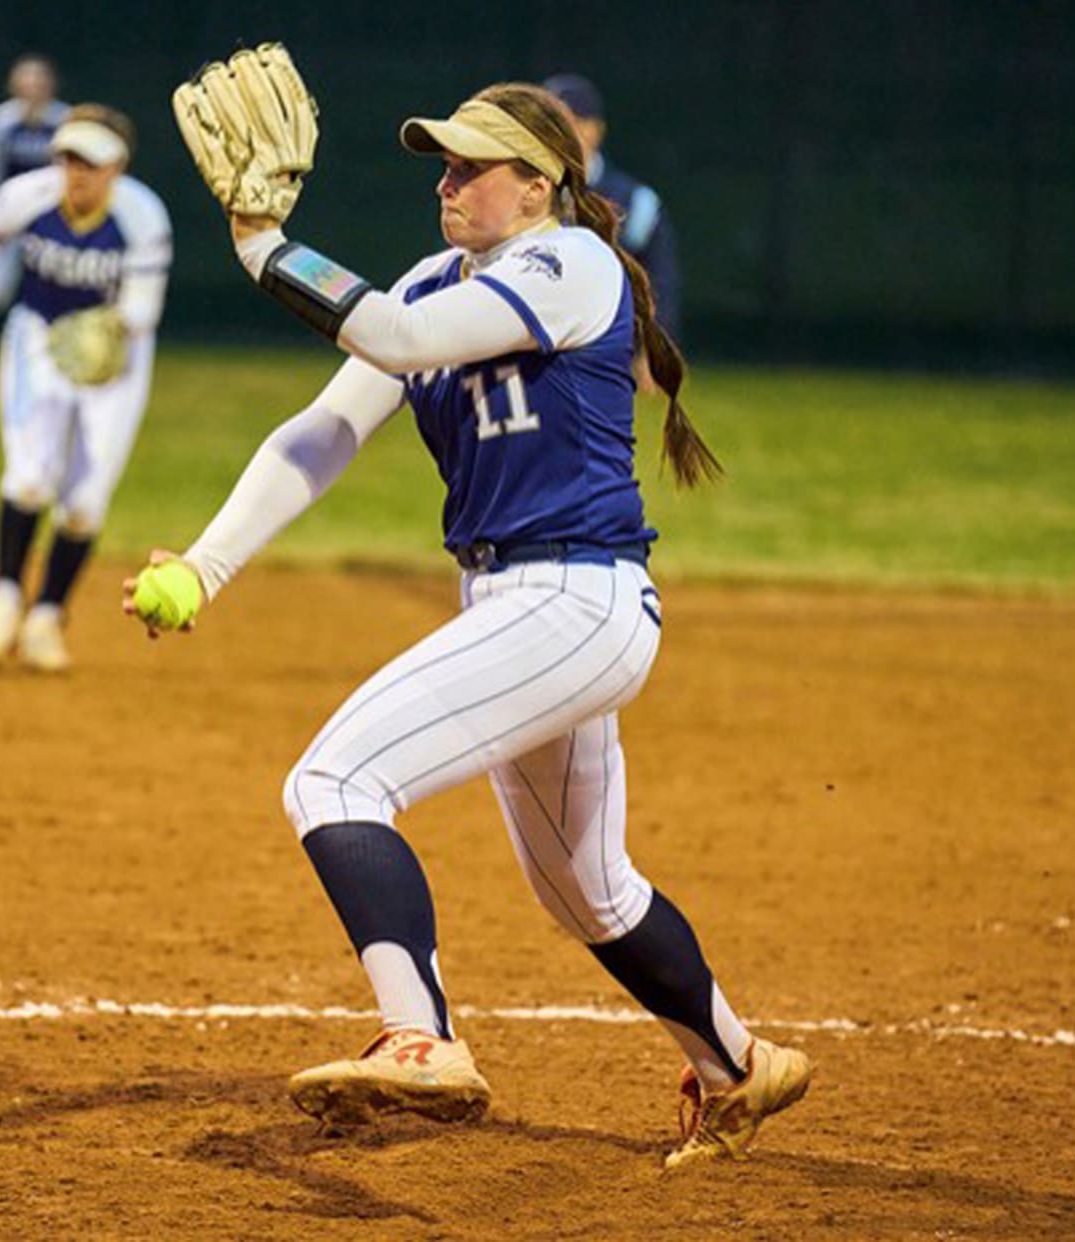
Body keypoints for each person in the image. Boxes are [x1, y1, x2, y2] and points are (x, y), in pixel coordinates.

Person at [131, 74, 810, 1167]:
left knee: (335, 782)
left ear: (537, 186)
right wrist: (207, 568)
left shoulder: (575, 262)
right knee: (589, 891)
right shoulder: (435, 281)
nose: (444, 183)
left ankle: (421, 1039)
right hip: (515, 602)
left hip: (576, 597)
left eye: (469, 166)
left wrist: (266, 248)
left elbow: (396, 341)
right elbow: (325, 432)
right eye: (440, 164)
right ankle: (739, 1064)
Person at [0, 104, 170, 673]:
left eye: (91, 162)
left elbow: (142, 309)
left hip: (115, 353)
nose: (76, 171)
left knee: (84, 503)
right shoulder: (30, 193)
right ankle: (4, 598)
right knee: (30, 477)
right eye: (68, 157)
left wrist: (107, 333)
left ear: (118, 168)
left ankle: (47, 617)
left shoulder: (142, 215)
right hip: (37, 339)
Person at [542, 73, 683, 342]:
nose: (566, 132)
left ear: (597, 128)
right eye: (554, 123)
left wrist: (654, 349)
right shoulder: (517, 192)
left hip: (609, 345)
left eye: (576, 120)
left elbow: (661, 282)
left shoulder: (636, 201)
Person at [0, 55, 71, 382]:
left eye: (40, 79)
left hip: (51, 219)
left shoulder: (63, 120)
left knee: (58, 284)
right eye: (27, 79)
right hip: (10, 216)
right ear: (14, 84)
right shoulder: (1, 122)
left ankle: (58, 355)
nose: (34, 86)